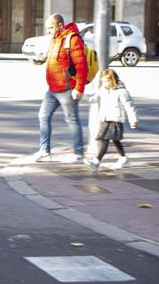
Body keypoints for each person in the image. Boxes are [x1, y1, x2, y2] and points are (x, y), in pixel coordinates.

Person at [34, 14, 89, 163]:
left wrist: (79, 88)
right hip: (52, 88)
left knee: (72, 119)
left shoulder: (72, 39)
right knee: (43, 116)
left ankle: (79, 153)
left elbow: (81, 66)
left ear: (60, 25)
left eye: (51, 27)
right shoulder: (55, 39)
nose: (49, 31)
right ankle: (44, 151)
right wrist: (42, 59)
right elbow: (56, 59)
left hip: (67, 88)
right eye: (48, 28)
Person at [86, 69, 137, 172]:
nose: (104, 83)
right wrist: (87, 93)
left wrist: (133, 120)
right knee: (115, 140)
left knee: (105, 140)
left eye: (106, 81)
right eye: (103, 81)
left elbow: (129, 106)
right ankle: (123, 158)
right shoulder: (103, 89)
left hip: (115, 120)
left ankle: (96, 161)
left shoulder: (121, 91)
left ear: (113, 79)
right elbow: (95, 98)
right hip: (105, 118)